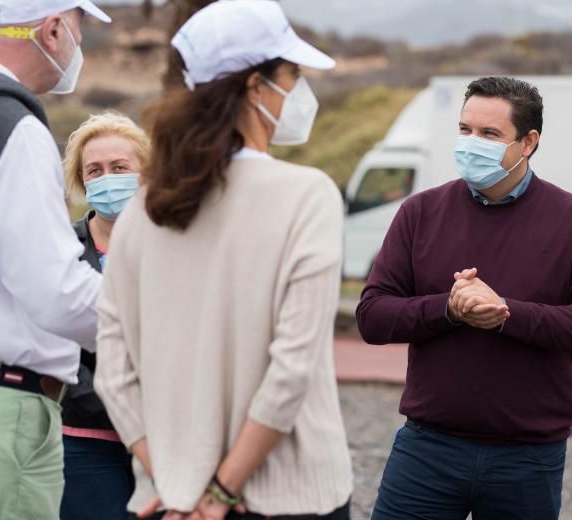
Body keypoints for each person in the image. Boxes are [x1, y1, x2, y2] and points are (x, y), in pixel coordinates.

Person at [93, 1, 353, 519]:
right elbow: (292, 369)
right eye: (293, 75)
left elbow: (113, 372)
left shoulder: (145, 206)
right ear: (257, 87)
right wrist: (220, 495)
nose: (299, 92)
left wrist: (176, 484)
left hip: (168, 499)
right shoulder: (306, 195)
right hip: (289, 496)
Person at [357, 76, 572, 520]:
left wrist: (505, 314)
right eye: (465, 130)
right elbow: (371, 315)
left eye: (490, 134)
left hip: (528, 457)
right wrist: (449, 308)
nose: (471, 144)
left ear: (528, 142)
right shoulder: (419, 213)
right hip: (427, 448)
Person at [0, 1, 111, 518]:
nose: (78, 45)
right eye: (78, 29)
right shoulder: (13, 126)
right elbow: (55, 293)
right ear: (52, 30)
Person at [60, 112, 150, 520]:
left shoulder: (176, 242)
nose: (107, 178)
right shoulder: (63, 248)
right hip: (87, 441)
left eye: (120, 167)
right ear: (82, 181)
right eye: (94, 170)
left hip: (165, 441)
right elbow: (54, 335)